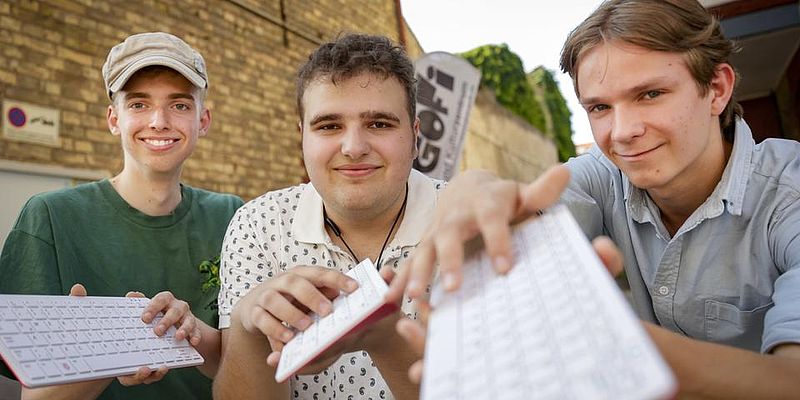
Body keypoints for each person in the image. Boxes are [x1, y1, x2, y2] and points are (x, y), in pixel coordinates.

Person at [389, 0, 800, 397]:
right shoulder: (606, 174)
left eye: (650, 94)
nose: (621, 132)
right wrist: (470, 192)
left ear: (716, 89)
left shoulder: (789, 195)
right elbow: (510, 205)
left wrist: (614, 344)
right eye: (600, 107)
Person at [0, 32, 243, 400]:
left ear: (203, 120)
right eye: (139, 104)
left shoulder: (233, 217)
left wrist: (185, 332)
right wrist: (111, 353)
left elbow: (248, 366)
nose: (159, 121)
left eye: (179, 105)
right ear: (114, 118)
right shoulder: (50, 217)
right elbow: (34, 397)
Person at [213, 33, 443, 400]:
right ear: (300, 137)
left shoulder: (468, 225)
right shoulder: (256, 225)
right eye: (329, 126)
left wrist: (386, 338)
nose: (353, 148)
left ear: (415, 137)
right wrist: (246, 324)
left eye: (380, 124)